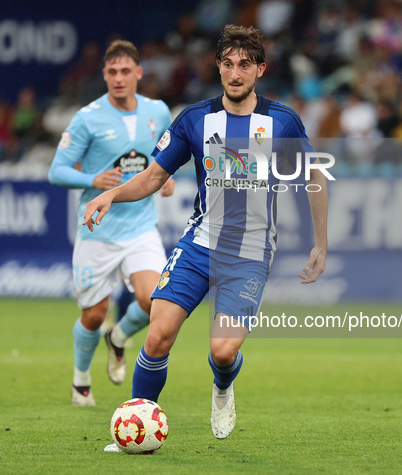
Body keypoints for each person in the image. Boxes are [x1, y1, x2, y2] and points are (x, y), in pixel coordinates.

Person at [84, 26, 328, 445]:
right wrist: (112, 195)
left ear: (261, 69)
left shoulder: (281, 121)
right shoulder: (196, 119)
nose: (236, 73)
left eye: (245, 65)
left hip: (251, 252)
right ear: (218, 66)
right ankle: (136, 427)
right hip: (200, 244)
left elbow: (316, 175)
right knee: (158, 333)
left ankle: (223, 384)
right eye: (228, 64)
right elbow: (153, 177)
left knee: (222, 351)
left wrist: (320, 241)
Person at [48, 40, 174, 406]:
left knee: (154, 301)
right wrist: (93, 180)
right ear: (104, 75)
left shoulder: (159, 112)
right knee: (93, 315)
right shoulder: (87, 117)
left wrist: (167, 177)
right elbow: (56, 171)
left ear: (138, 73)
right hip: (97, 229)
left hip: (141, 227)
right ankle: (81, 380)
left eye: (125, 72)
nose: (119, 79)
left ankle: (118, 338)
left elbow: (166, 155)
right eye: (112, 72)